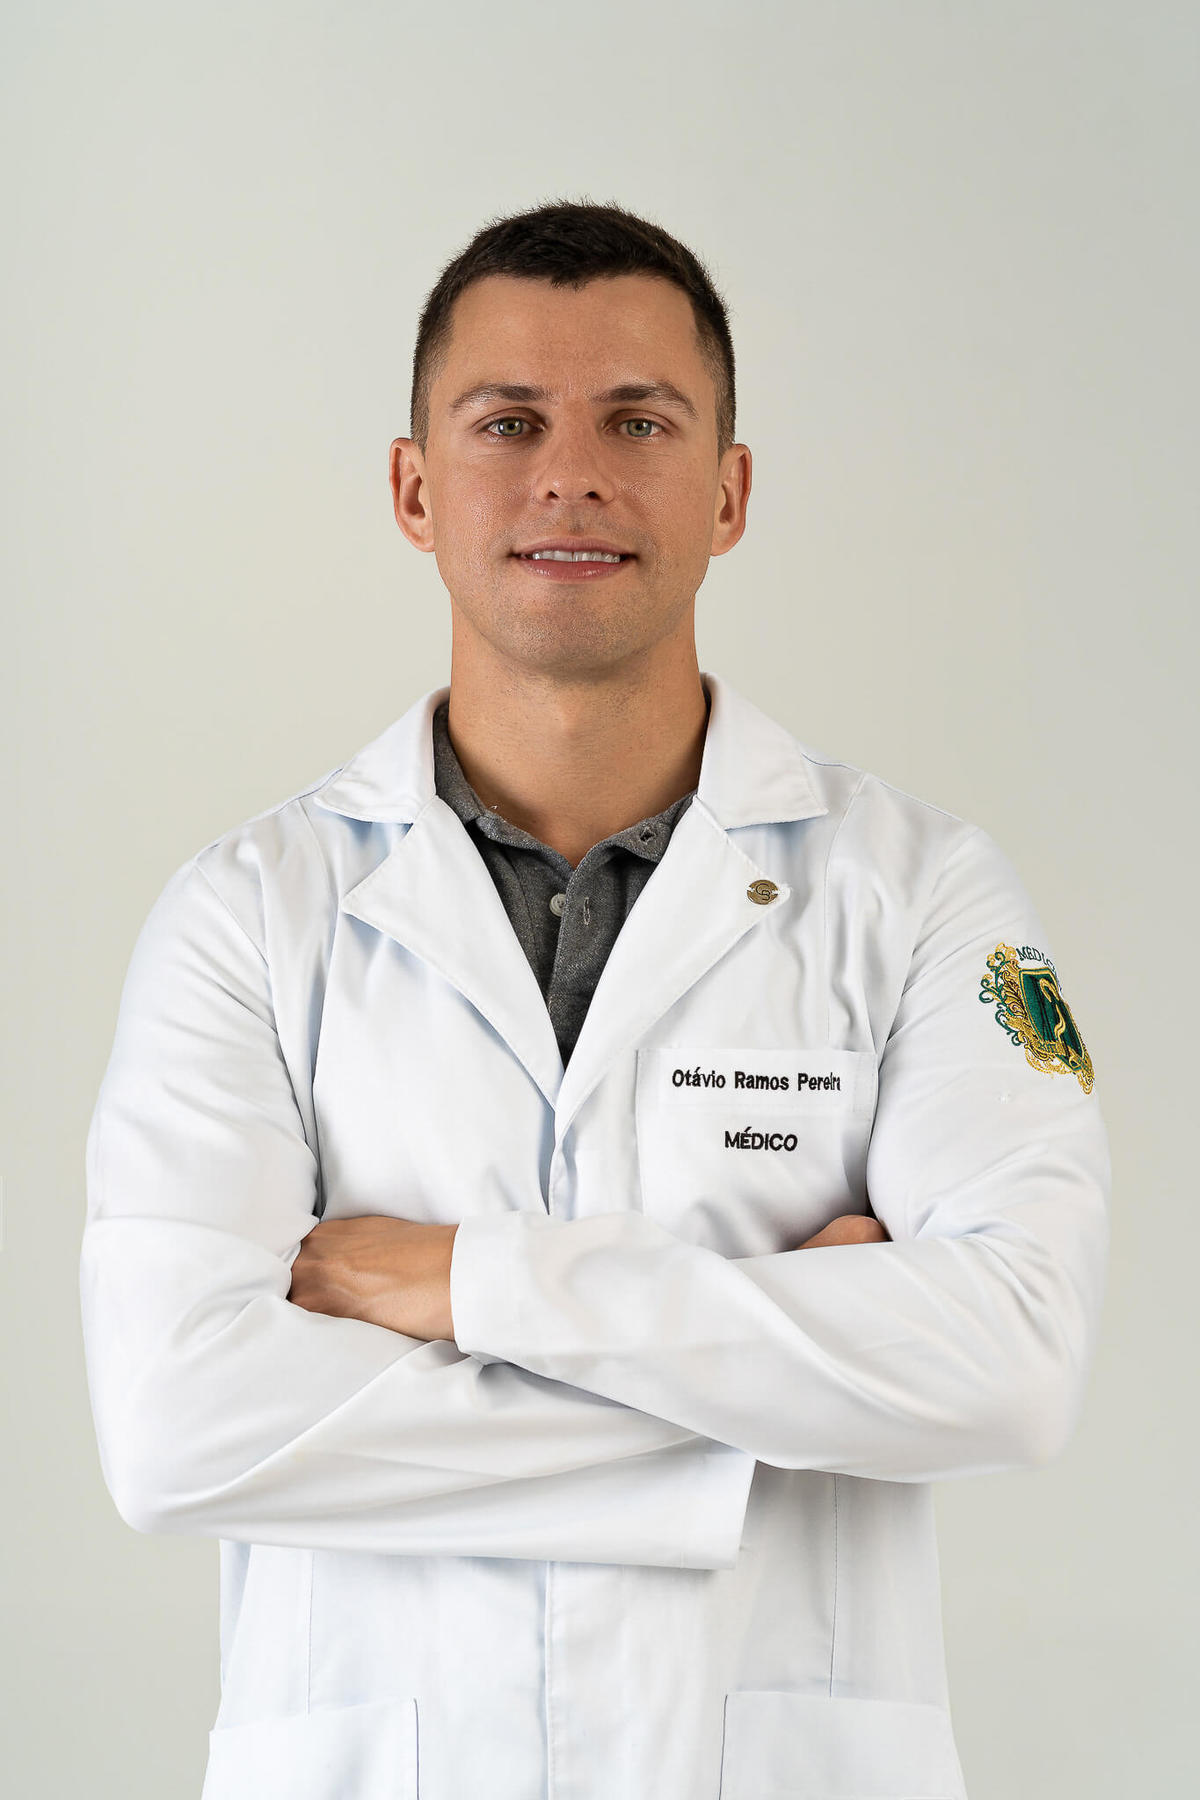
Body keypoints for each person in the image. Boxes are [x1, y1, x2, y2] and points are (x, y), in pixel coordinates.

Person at [79, 199, 1110, 1800]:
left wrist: (466, 1284)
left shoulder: (918, 893)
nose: (571, 475)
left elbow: (1014, 1360)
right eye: (509, 423)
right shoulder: (247, 915)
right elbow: (176, 1426)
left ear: (730, 490)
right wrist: (774, 1378)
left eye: (639, 420)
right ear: (415, 490)